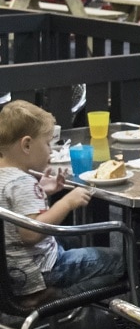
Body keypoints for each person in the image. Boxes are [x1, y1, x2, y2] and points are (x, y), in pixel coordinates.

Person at [0, 101, 124, 304]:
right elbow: (30, 234)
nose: (50, 151)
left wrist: (41, 191)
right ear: (27, 145)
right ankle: (55, 299)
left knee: (72, 243)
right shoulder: (22, 183)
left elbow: (15, 212)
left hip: (9, 273)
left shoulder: (7, 178)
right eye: (47, 143)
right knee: (119, 261)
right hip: (39, 271)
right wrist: (67, 202)